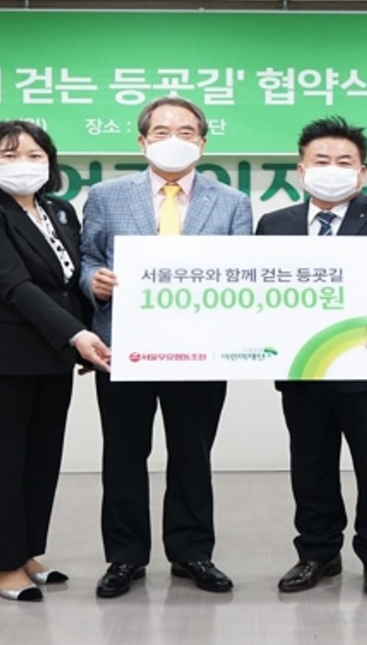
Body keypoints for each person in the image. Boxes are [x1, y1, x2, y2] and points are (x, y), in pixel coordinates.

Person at [79, 96, 253, 598]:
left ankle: (192, 552)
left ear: (202, 142)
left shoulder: (232, 202)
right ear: (142, 141)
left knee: (192, 455)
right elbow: (87, 257)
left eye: (186, 131)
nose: (173, 140)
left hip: (201, 351)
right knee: (123, 455)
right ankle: (125, 556)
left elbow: (246, 272)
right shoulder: (107, 195)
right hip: (124, 348)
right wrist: (96, 282)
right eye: (161, 131)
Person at [256, 117, 367, 600]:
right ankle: (317, 552)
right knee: (310, 466)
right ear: (300, 169)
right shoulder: (274, 225)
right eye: (321, 160)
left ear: (362, 171)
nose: (332, 169)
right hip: (303, 367)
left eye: (344, 161)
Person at [0, 120, 111, 602]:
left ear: (51, 163)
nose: (24, 164)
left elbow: (68, 283)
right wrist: (77, 335)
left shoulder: (58, 210)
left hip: (49, 356)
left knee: (40, 459)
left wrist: (84, 337)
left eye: (35, 155)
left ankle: (24, 551)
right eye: (10, 155)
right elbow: (15, 286)